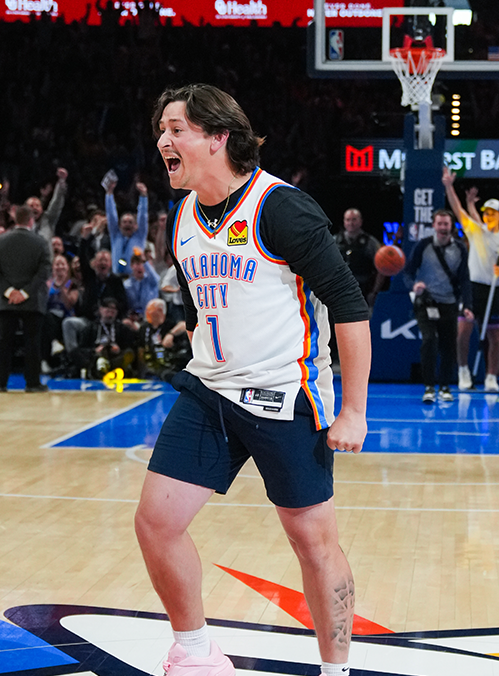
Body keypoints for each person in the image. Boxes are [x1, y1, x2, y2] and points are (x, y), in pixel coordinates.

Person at [135, 84, 370, 676]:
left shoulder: (281, 208)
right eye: (162, 129)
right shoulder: (185, 214)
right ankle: (196, 653)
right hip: (210, 389)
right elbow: (195, 301)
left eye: (177, 128)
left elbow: (349, 306)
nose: (164, 140)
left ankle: (336, 669)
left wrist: (354, 410)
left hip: (285, 397)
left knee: (313, 544)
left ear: (218, 137)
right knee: (156, 523)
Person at [441, 169, 499, 392]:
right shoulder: (476, 231)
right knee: (464, 331)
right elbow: (458, 209)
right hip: (472, 288)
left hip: (495, 289)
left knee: (495, 336)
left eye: (493, 213)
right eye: (486, 212)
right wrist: (448, 186)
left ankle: (491, 377)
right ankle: (464, 372)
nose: (489, 216)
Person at [401, 209, 474, 403]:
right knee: (429, 340)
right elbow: (407, 273)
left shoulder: (460, 248)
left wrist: (467, 305)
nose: (442, 228)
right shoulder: (423, 246)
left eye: (446, 224)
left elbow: (465, 279)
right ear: (433, 225)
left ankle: (445, 386)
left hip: (449, 303)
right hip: (426, 302)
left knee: (448, 346)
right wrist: (414, 286)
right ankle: (428, 387)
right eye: (439, 224)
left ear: (451, 226)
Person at [0, 205, 52, 393]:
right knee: (32, 342)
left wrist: (9, 292)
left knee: (3, 342)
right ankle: (32, 383)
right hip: (31, 301)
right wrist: (24, 293)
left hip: (5, 300)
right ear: (31, 220)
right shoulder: (40, 242)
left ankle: (0, 383)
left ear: (15, 219)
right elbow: (44, 272)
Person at [334, 208, 382, 302]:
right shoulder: (335, 241)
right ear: (344, 222)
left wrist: (375, 291)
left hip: (363, 289)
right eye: (348, 220)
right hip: (339, 290)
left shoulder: (370, 242)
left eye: (354, 219)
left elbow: (381, 268)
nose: (351, 223)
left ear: (360, 221)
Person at [106, 177, 148, 275]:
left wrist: (143, 196)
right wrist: (109, 194)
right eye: (124, 222)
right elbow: (111, 216)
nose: (127, 225)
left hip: (134, 278)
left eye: (130, 222)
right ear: (120, 225)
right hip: (116, 279)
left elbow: (143, 217)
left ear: (135, 225)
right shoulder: (115, 235)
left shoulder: (140, 236)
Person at [27, 167, 68, 241]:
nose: (35, 208)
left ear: (41, 209)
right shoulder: (20, 224)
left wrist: (61, 181)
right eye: (31, 206)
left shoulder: (48, 219)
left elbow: (57, 203)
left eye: (37, 206)